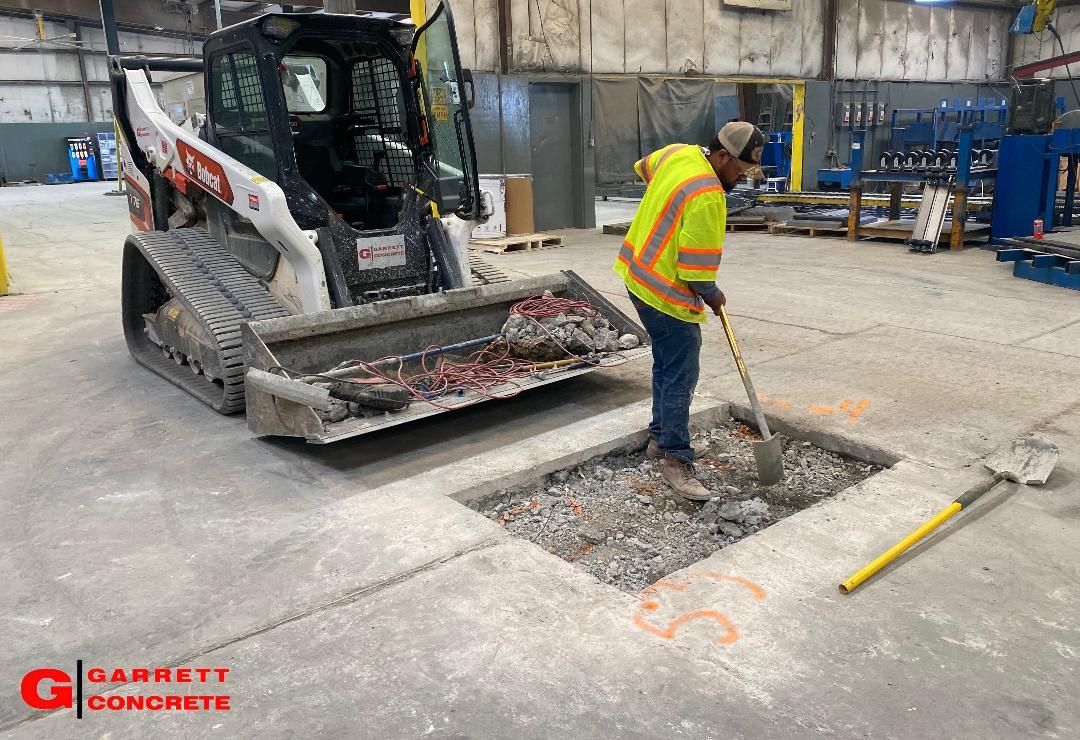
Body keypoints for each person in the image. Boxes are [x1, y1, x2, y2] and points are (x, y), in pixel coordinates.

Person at [613, 121, 765, 501]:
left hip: (637, 275)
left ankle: (660, 437)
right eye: (741, 169)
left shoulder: (679, 152)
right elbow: (696, 270)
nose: (743, 178)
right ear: (722, 156)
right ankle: (676, 459)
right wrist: (714, 296)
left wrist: (665, 204)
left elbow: (642, 167)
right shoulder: (709, 194)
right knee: (681, 371)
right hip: (664, 291)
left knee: (667, 362)